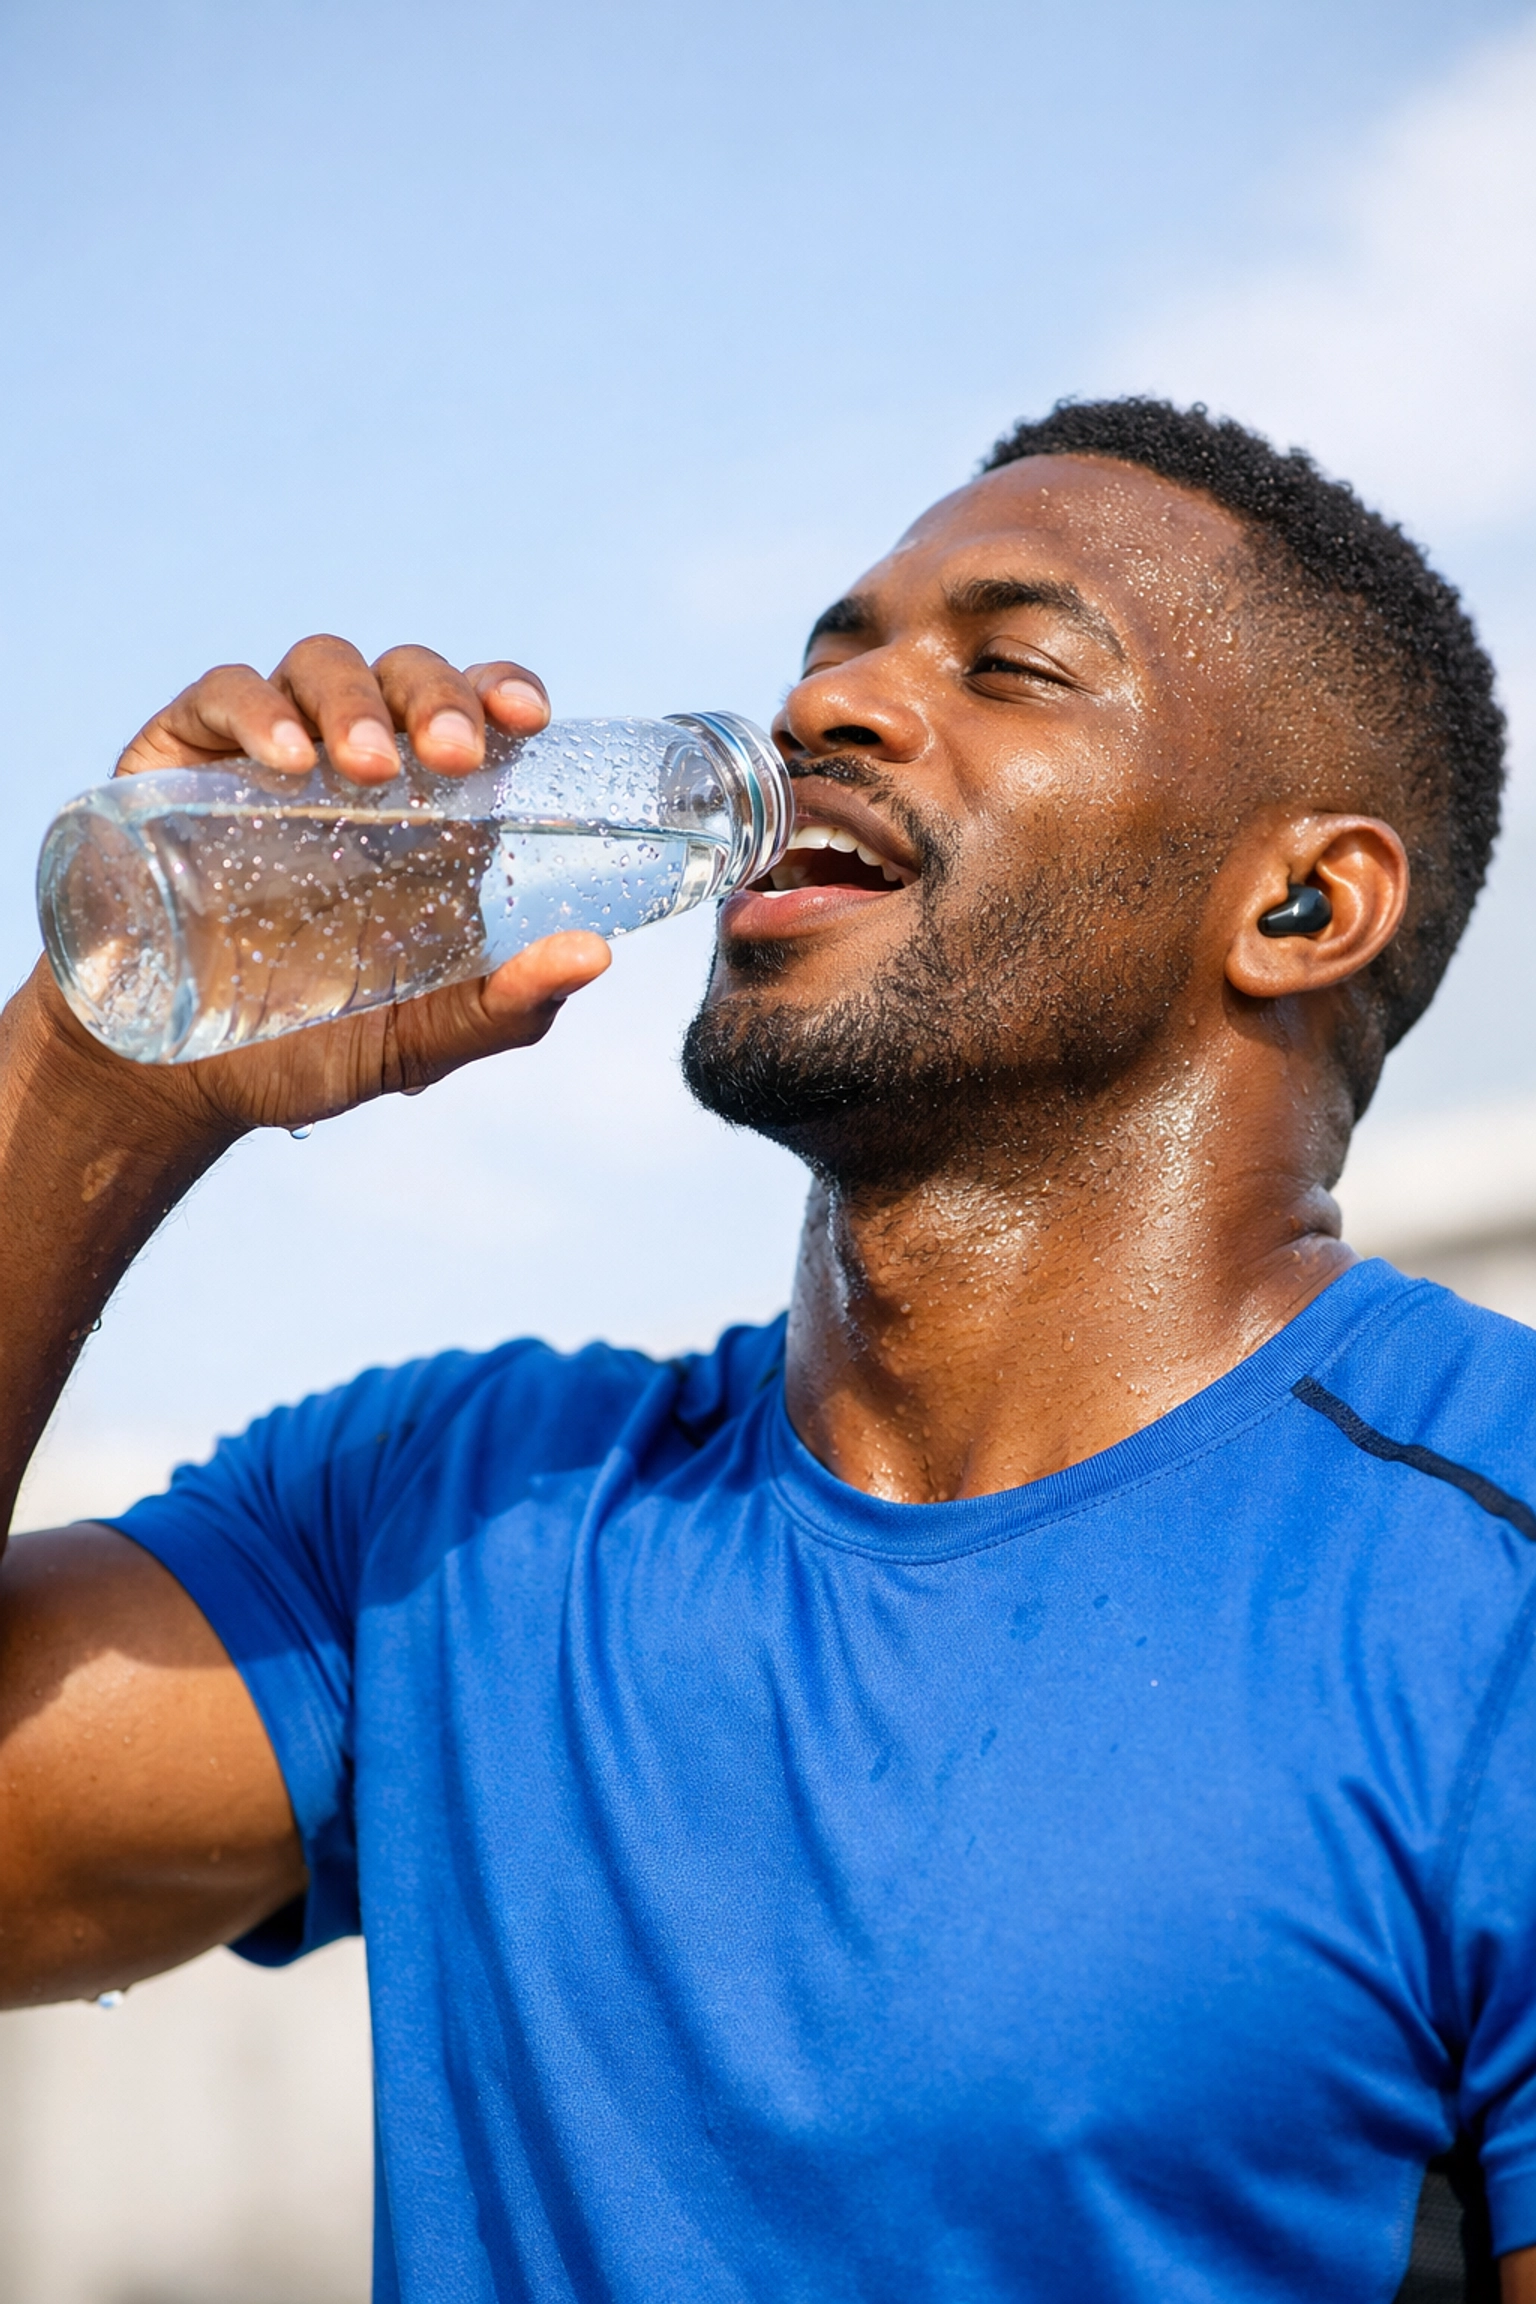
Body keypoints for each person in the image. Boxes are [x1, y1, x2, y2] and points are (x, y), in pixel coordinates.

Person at [0, 396, 1529, 2304]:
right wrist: (100, 1061)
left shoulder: (1493, 1581)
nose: (829, 711)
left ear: (1303, 902)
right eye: (835, 649)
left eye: (1011, 666)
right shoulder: (450, 1520)